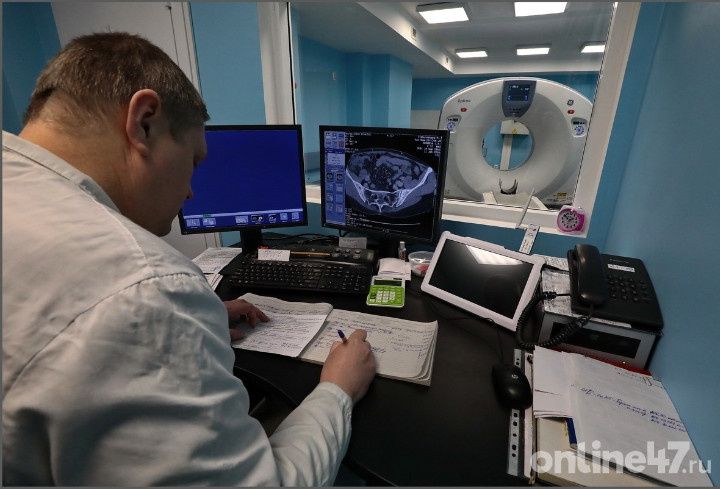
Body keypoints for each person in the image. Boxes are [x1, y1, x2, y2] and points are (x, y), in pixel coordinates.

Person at [2, 32, 376, 486]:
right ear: (144, 123)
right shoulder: (144, 289)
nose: (192, 192)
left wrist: (196, 317)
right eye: (194, 161)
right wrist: (338, 389)